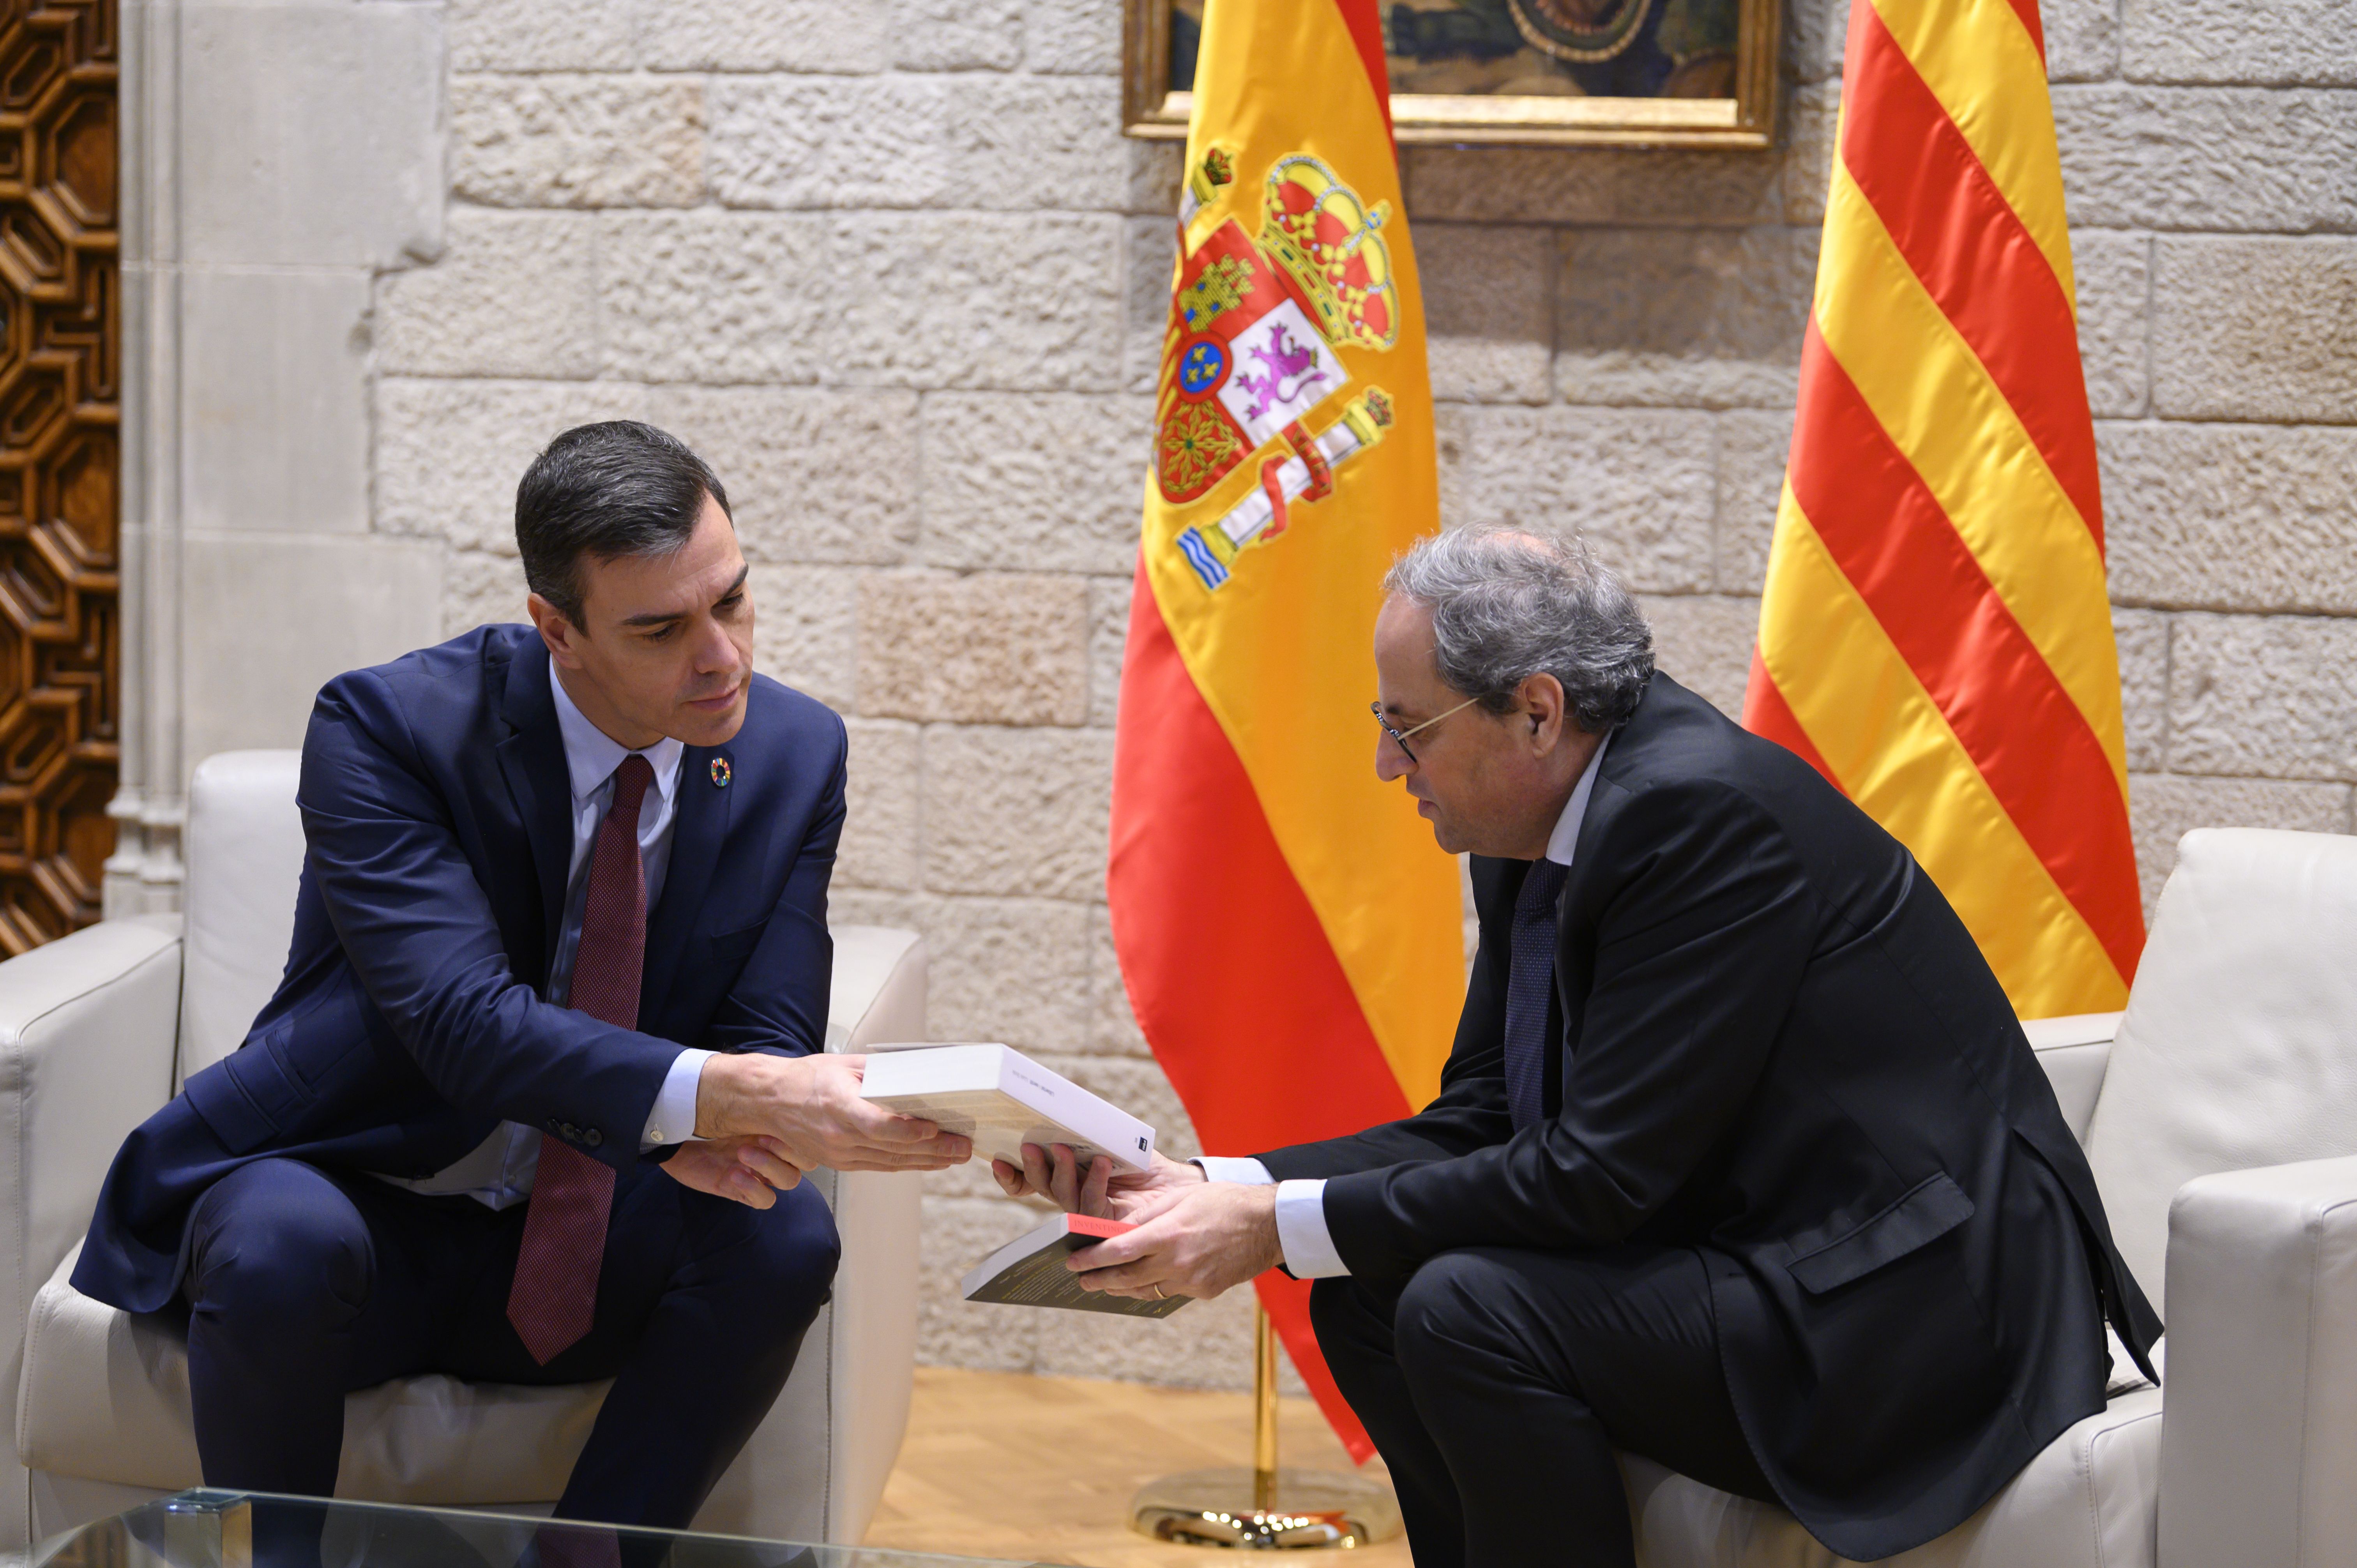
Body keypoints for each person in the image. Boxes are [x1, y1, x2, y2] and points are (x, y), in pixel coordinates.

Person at [997, 527, 2161, 1568]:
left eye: (1407, 728)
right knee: (1365, 1289)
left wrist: (1272, 1229)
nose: (1386, 767)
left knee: (1464, 1306)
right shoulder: (1535, 816)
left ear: (1538, 712)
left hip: (1909, 1305)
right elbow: (1486, 1119)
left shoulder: (1698, 817)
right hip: (1755, 1246)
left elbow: (1602, 1179)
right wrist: (1218, 1186)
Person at [72, 421, 970, 1529]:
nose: (722, 657)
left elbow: (767, 1029)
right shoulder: (391, 728)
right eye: (661, 628)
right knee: (276, 1241)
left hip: (601, 1229)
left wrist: (783, 1102)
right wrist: (730, 1098)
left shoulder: (794, 751)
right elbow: (460, 1021)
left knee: (781, 1238)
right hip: (364, 1193)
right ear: (558, 629)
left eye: (731, 601)